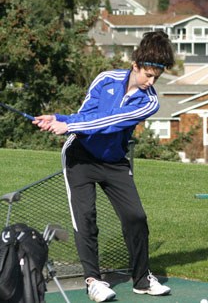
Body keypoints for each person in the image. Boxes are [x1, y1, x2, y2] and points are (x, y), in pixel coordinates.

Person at [33, 31, 175, 302]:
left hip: (114, 163)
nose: (151, 81)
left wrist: (69, 124)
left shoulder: (149, 102)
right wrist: (59, 118)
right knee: (85, 218)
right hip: (80, 156)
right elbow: (88, 116)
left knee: (136, 217)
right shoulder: (105, 79)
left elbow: (112, 120)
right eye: (148, 74)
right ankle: (93, 280)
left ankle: (142, 279)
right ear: (135, 65)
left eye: (157, 77)